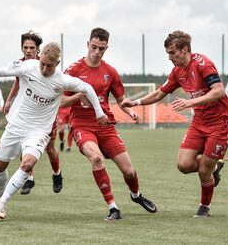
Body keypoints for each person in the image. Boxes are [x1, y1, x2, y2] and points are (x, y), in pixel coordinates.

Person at [0, 42, 107, 220]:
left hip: (39, 131)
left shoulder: (62, 80)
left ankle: (3, 202)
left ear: (57, 63)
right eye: (42, 64)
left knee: (28, 163)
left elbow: (87, 88)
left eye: (49, 66)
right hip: (16, 126)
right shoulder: (28, 67)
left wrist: (99, 112)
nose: (44, 69)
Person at [121, 30, 228, 218]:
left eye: (172, 53)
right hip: (199, 122)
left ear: (185, 49)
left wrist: (190, 102)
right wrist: (136, 102)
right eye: (168, 54)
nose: (170, 57)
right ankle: (214, 167)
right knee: (183, 164)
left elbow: (219, 91)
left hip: (220, 122)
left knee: (204, 169)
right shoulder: (177, 72)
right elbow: (159, 93)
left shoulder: (203, 64)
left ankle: (204, 207)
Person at [62, 27, 157, 221]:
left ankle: (136, 195)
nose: (97, 52)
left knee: (129, 171)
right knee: (96, 159)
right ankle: (113, 207)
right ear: (88, 45)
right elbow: (60, 102)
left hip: (105, 125)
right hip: (82, 125)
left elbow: (121, 100)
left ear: (106, 48)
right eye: (94, 47)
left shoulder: (110, 72)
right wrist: (80, 95)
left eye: (102, 49)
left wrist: (130, 111)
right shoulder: (72, 71)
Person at [4, 31, 63, 195]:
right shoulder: (20, 64)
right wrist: (9, 100)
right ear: (22, 48)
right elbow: (18, 83)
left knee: (50, 149)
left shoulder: (45, 64)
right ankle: (29, 178)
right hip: (25, 114)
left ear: (38, 50)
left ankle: (57, 173)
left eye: (32, 48)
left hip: (44, 115)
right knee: (23, 145)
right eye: (25, 47)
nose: (28, 51)